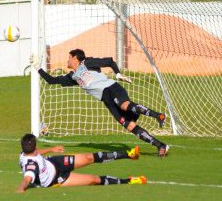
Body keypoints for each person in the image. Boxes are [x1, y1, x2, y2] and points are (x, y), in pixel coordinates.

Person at [31, 49, 169, 157]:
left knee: (125, 105)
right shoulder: (72, 77)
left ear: (75, 57)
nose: (67, 60)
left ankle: (158, 115)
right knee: (128, 125)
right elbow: (51, 80)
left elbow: (109, 61)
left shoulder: (87, 63)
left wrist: (118, 74)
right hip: (106, 99)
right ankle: (160, 145)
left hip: (111, 87)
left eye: (69, 57)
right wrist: (38, 68)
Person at [17, 133, 146, 193]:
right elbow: (27, 178)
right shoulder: (31, 165)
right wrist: (21, 189)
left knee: (89, 157)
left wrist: (51, 149)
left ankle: (129, 154)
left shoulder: (26, 152)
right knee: (94, 180)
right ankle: (129, 181)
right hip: (57, 179)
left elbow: (37, 152)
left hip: (55, 162)